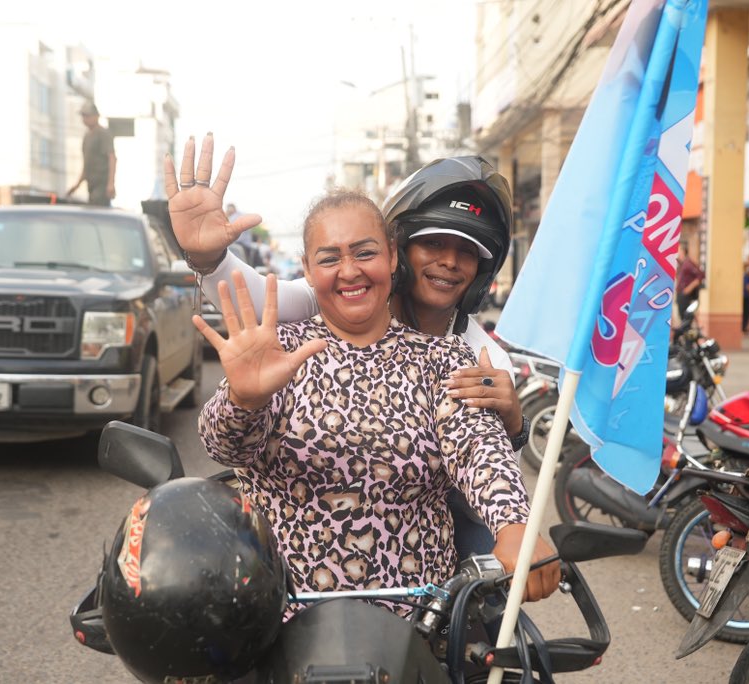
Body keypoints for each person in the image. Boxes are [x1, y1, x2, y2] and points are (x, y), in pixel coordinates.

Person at [165, 138, 560, 608]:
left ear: (391, 257)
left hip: (413, 624)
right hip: (284, 616)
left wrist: (516, 523)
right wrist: (242, 401)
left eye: (365, 253)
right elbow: (223, 445)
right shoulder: (282, 348)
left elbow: (480, 449)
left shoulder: (453, 356)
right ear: (308, 271)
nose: (349, 271)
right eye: (330, 258)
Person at [66, 101, 116, 207]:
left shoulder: (103, 133)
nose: (85, 119)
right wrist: (77, 185)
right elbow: (87, 164)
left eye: (87, 116)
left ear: (96, 116)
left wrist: (111, 183)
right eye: (83, 116)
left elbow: (112, 157)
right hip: (91, 184)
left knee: (98, 210)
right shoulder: (87, 136)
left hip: (102, 183)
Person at [675, 241, 703, 320]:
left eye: (678, 249)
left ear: (683, 251)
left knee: (686, 317)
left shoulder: (688, 263)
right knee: (681, 317)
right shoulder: (681, 264)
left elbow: (700, 276)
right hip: (680, 294)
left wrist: (689, 288)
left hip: (686, 295)